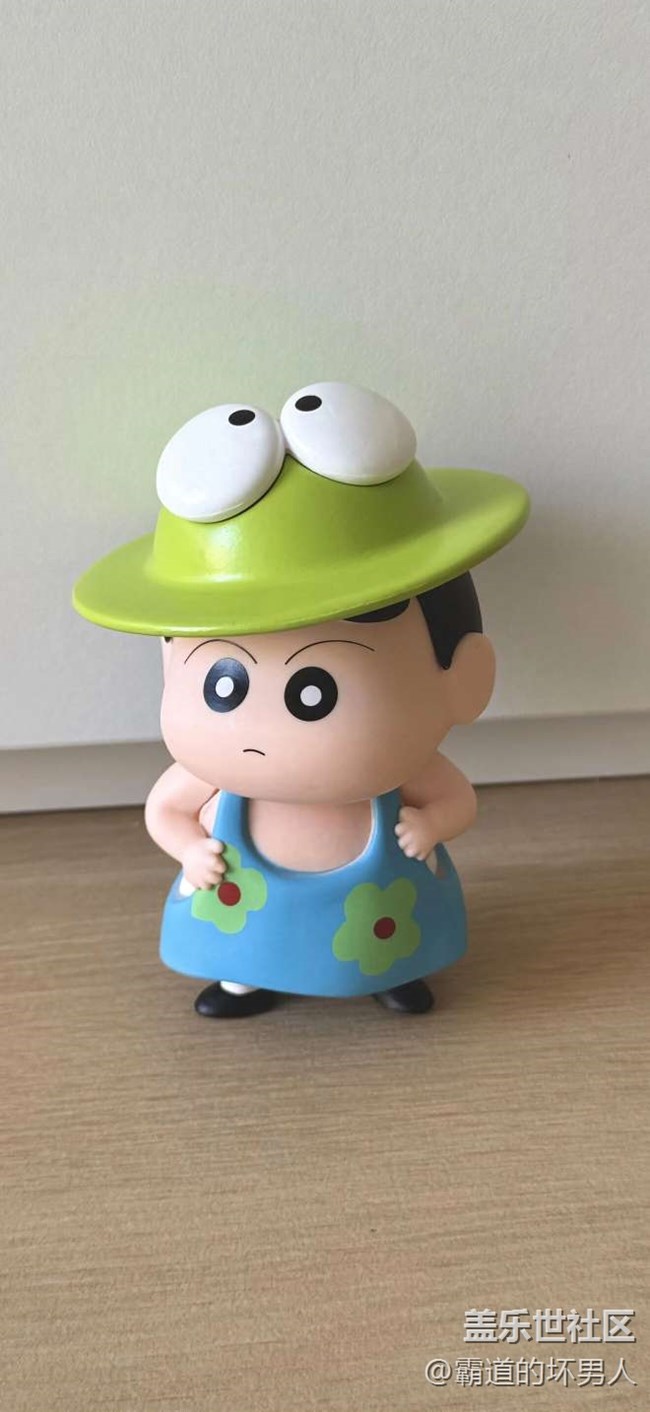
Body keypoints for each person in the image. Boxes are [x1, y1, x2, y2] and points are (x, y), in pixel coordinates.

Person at [74, 382, 528, 1018]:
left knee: (388, 934)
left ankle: (392, 974)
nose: (258, 731)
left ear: (462, 680)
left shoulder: (411, 772)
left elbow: (456, 801)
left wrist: (430, 826)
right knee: (245, 946)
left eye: (312, 695)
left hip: (381, 909)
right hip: (241, 908)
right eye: (223, 685)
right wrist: (190, 850)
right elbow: (166, 812)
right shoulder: (209, 777)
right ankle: (244, 978)